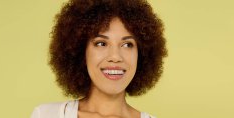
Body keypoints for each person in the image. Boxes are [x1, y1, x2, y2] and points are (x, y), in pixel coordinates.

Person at [31, 0, 167, 118]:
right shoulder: (46, 114)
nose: (115, 57)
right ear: (80, 51)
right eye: (101, 43)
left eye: (127, 44)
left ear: (141, 54)